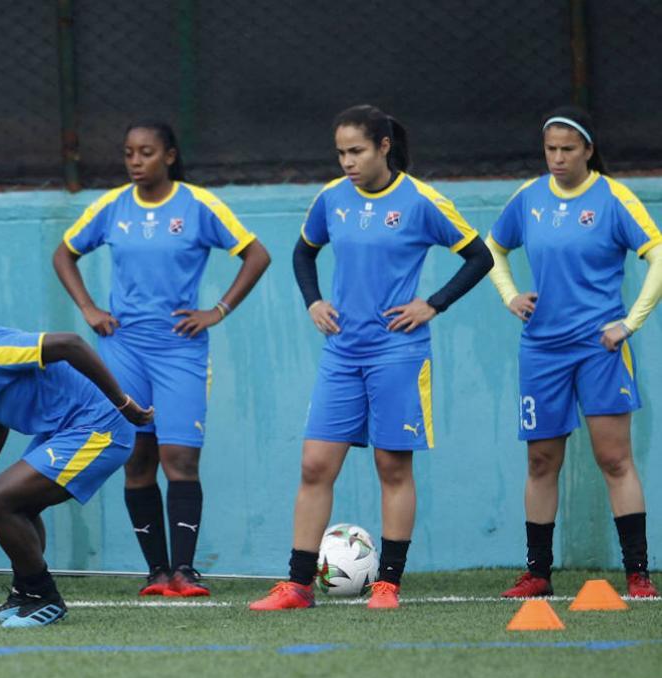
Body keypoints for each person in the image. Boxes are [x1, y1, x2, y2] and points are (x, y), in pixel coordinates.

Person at [249, 105, 492, 611]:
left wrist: (433, 304)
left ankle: (387, 585)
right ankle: (296, 585)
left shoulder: (421, 201)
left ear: (384, 146)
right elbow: (303, 252)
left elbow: (479, 256)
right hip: (342, 353)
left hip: (398, 353)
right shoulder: (331, 198)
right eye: (340, 152)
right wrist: (313, 301)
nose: (347, 162)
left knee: (391, 466)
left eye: (356, 151)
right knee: (315, 465)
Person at [52, 121, 270, 596]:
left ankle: (185, 571)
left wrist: (217, 310)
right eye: (129, 152)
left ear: (169, 156)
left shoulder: (198, 205)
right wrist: (89, 308)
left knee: (180, 458)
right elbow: (64, 254)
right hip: (123, 348)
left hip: (179, 350)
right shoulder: (112, 206)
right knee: (137, 458)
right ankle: (156, 573)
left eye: (146, 152)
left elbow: (257, 255)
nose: (135, 161)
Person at [486, 106, 661, 598]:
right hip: (542, 349)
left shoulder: (613, 198)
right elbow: (493, 249)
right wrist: (510, 295)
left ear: (588, 150)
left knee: (614, 458)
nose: (558, 158)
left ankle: (638, 575)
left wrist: (629, 323)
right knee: (541, 461)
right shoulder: (529, 197)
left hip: (598, 348)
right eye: (551, 149)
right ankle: (538, 574)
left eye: (567, 149)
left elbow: (657, 254)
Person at [0, 288, 153, 627]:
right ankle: (26, 593)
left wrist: (122, 402)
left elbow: (71, 344)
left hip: (99, 428)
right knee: (15, 505)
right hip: (63, 430)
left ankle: (46, 598)